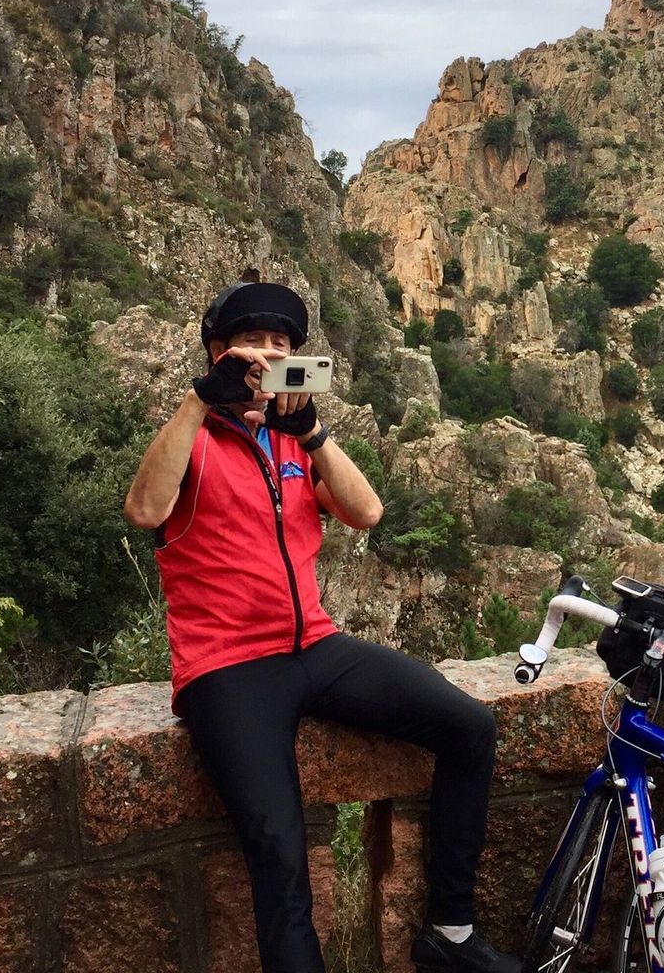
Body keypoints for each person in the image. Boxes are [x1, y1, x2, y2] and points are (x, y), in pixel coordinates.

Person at [123, 280, 519, 973]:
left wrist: (311, 433)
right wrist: (197, 401)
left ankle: (450, 934)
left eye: (282, 345)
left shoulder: (293, 445)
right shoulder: (195, 442)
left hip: (314, 643)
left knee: (470, 727)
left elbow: (367, 513)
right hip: (227, 667)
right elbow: (145, 509)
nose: (269, 355)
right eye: (253, 343)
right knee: (279, 849)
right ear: (219, 353)